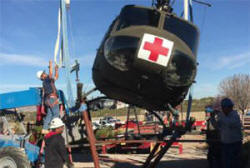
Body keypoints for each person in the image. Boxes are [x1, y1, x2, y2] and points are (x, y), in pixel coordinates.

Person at [211, 98, 242, 168]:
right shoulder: (223, 116)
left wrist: (219, 115)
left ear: (229, 107)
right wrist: (212, 118)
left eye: (223, 107)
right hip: (225, 144)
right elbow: (217, 126)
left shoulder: (235, 115)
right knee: (226, 164)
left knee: (234, 164)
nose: (222, 109)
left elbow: (229, 123)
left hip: (235, 144)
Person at [37, 60, 60, 134]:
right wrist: (50, 65)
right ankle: (53, 128)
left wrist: (56, 70)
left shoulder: (48, 81)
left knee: (49, 114)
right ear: (42, 76)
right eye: (44, 73)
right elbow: (50, 73)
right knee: (56, 114)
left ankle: (45, 129)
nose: (45, 73)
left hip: (48, 100)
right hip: (52, 98)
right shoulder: (46, 80)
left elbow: (55, 77)